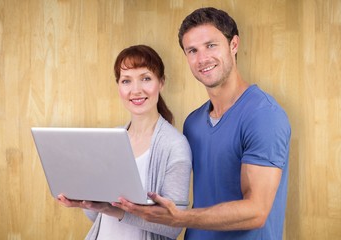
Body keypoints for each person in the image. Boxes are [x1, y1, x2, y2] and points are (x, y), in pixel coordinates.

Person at [113, 7, 291, 240]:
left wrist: (179, 218)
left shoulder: (264, 115)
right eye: (192, 50)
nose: (202, 58)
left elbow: (256, 212)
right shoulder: (194, 123)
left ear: (234, 45)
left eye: (211, 45)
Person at [57, 44, 192, 240]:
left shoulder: (175, 145)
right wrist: (85, 200)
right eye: (126, 81)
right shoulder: (110, 139)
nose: (136, 90)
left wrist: (116, 211)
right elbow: (97, 216)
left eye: (146, 78)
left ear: (161, 82)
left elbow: (174, 227)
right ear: (118, 86)